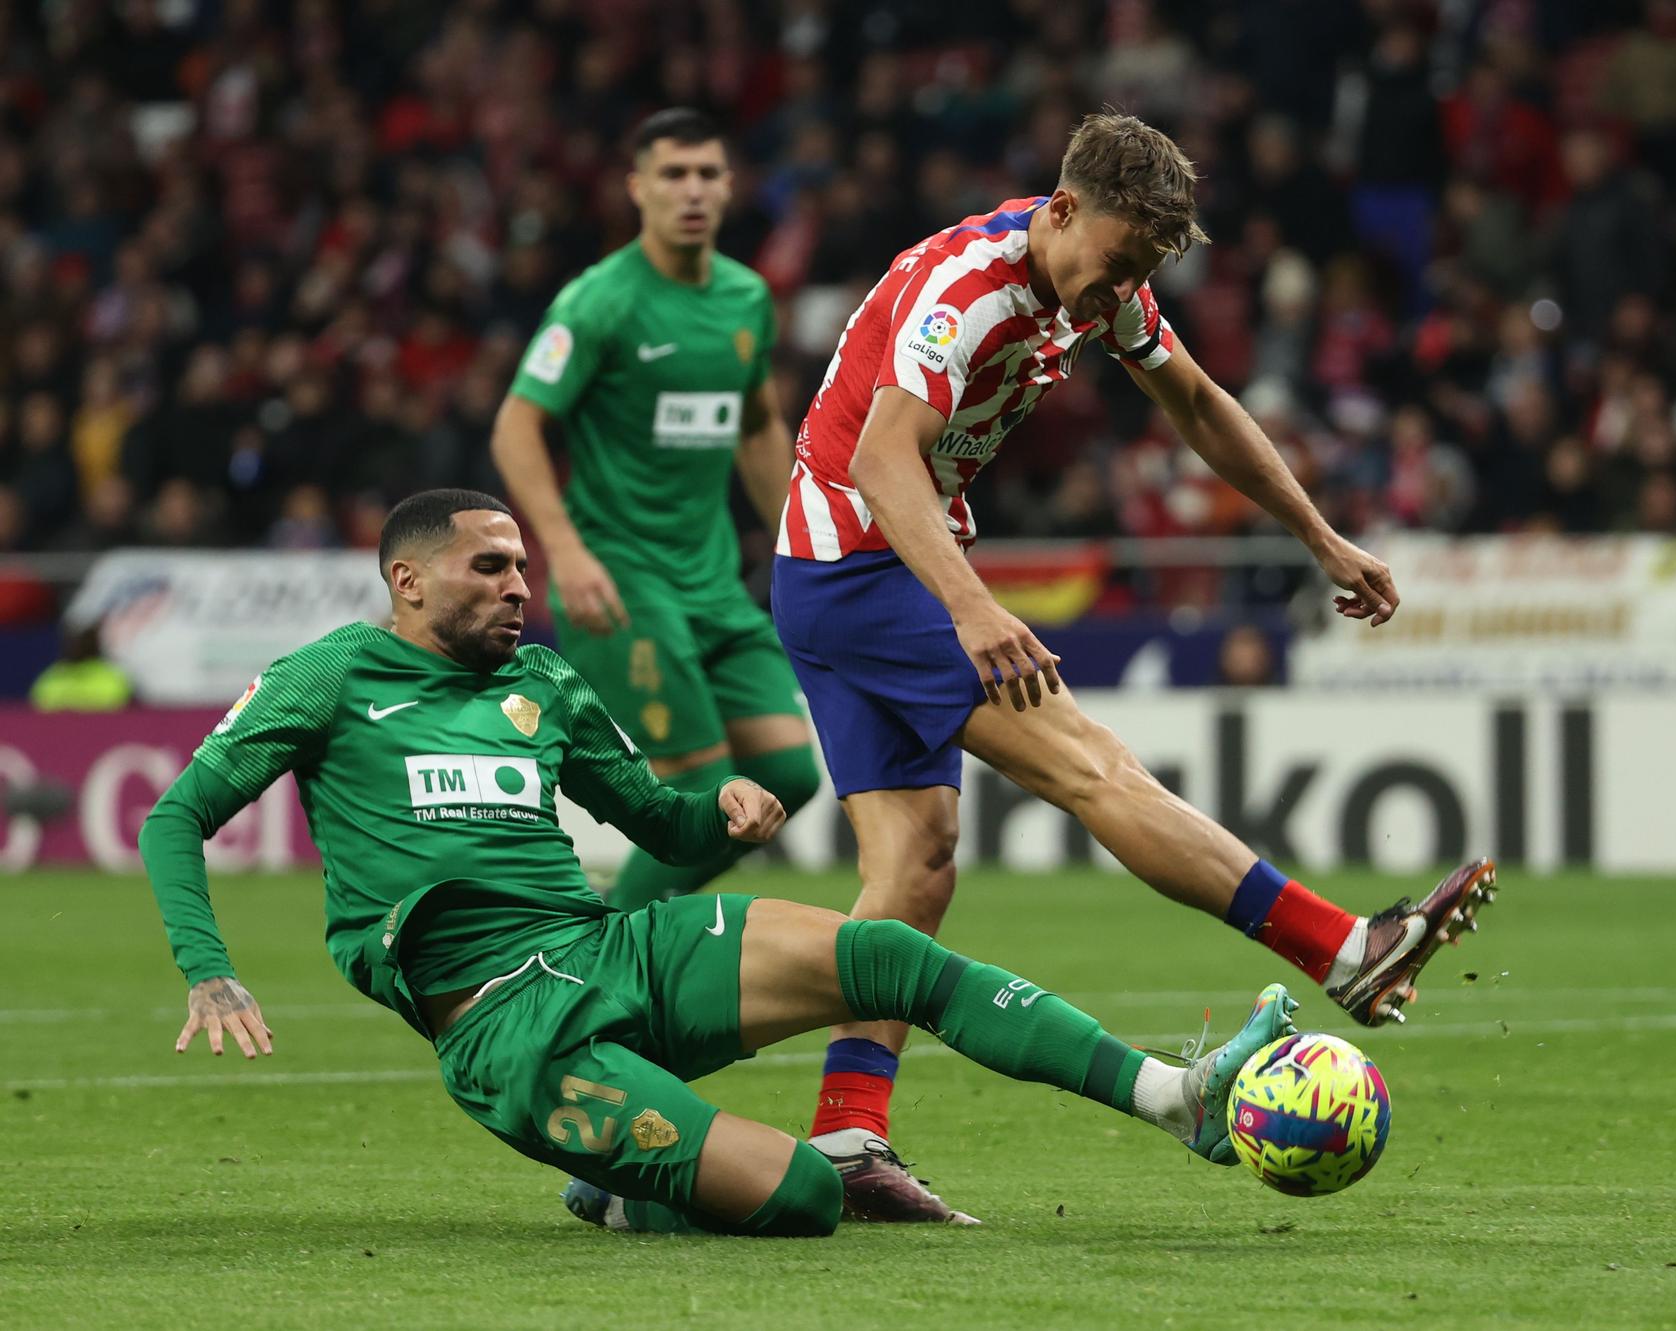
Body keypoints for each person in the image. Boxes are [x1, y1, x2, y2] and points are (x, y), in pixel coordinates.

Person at [136, 489, 1305, 1237]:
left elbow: (658, 824)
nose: (518, 587)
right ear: (407, 580)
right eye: (489, 567)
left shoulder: (538, 684)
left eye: (521, 569)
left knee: (887, 952)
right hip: (507, 1029)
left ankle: (1178, 1098)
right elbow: (174, 816)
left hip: (607, 949)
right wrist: (208, 965)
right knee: (803, 1198)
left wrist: (722, 815)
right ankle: (625, 1183)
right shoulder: (328, 677)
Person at [771, 112, 1499, 1223]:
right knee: (1091, 766)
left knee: (915, 865)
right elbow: (880, 458)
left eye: (1141, 270)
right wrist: (970, 609)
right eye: (1115, 259)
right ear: (1060, 210)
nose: (1113, 289)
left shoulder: (1100, 285)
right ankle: (1340, 944)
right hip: (867, 565)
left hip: (849, 572)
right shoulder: (965, 286)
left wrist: (1319, 537)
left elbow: (1198, 404)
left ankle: (845, 1132)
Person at [491, 108, 820, 912]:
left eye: (708, 173)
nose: (693, 190)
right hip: (622, 581)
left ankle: (612, 920)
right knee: (707, 789)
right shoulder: (599, 302)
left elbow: (756, 425)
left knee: (787, 776)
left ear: (732, 186)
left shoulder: (746, 299)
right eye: (673, 174)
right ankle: (609, 952)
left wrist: (800, 543)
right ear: (638, 188)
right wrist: (564, 551)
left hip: (711, 583)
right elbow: (516, 423)